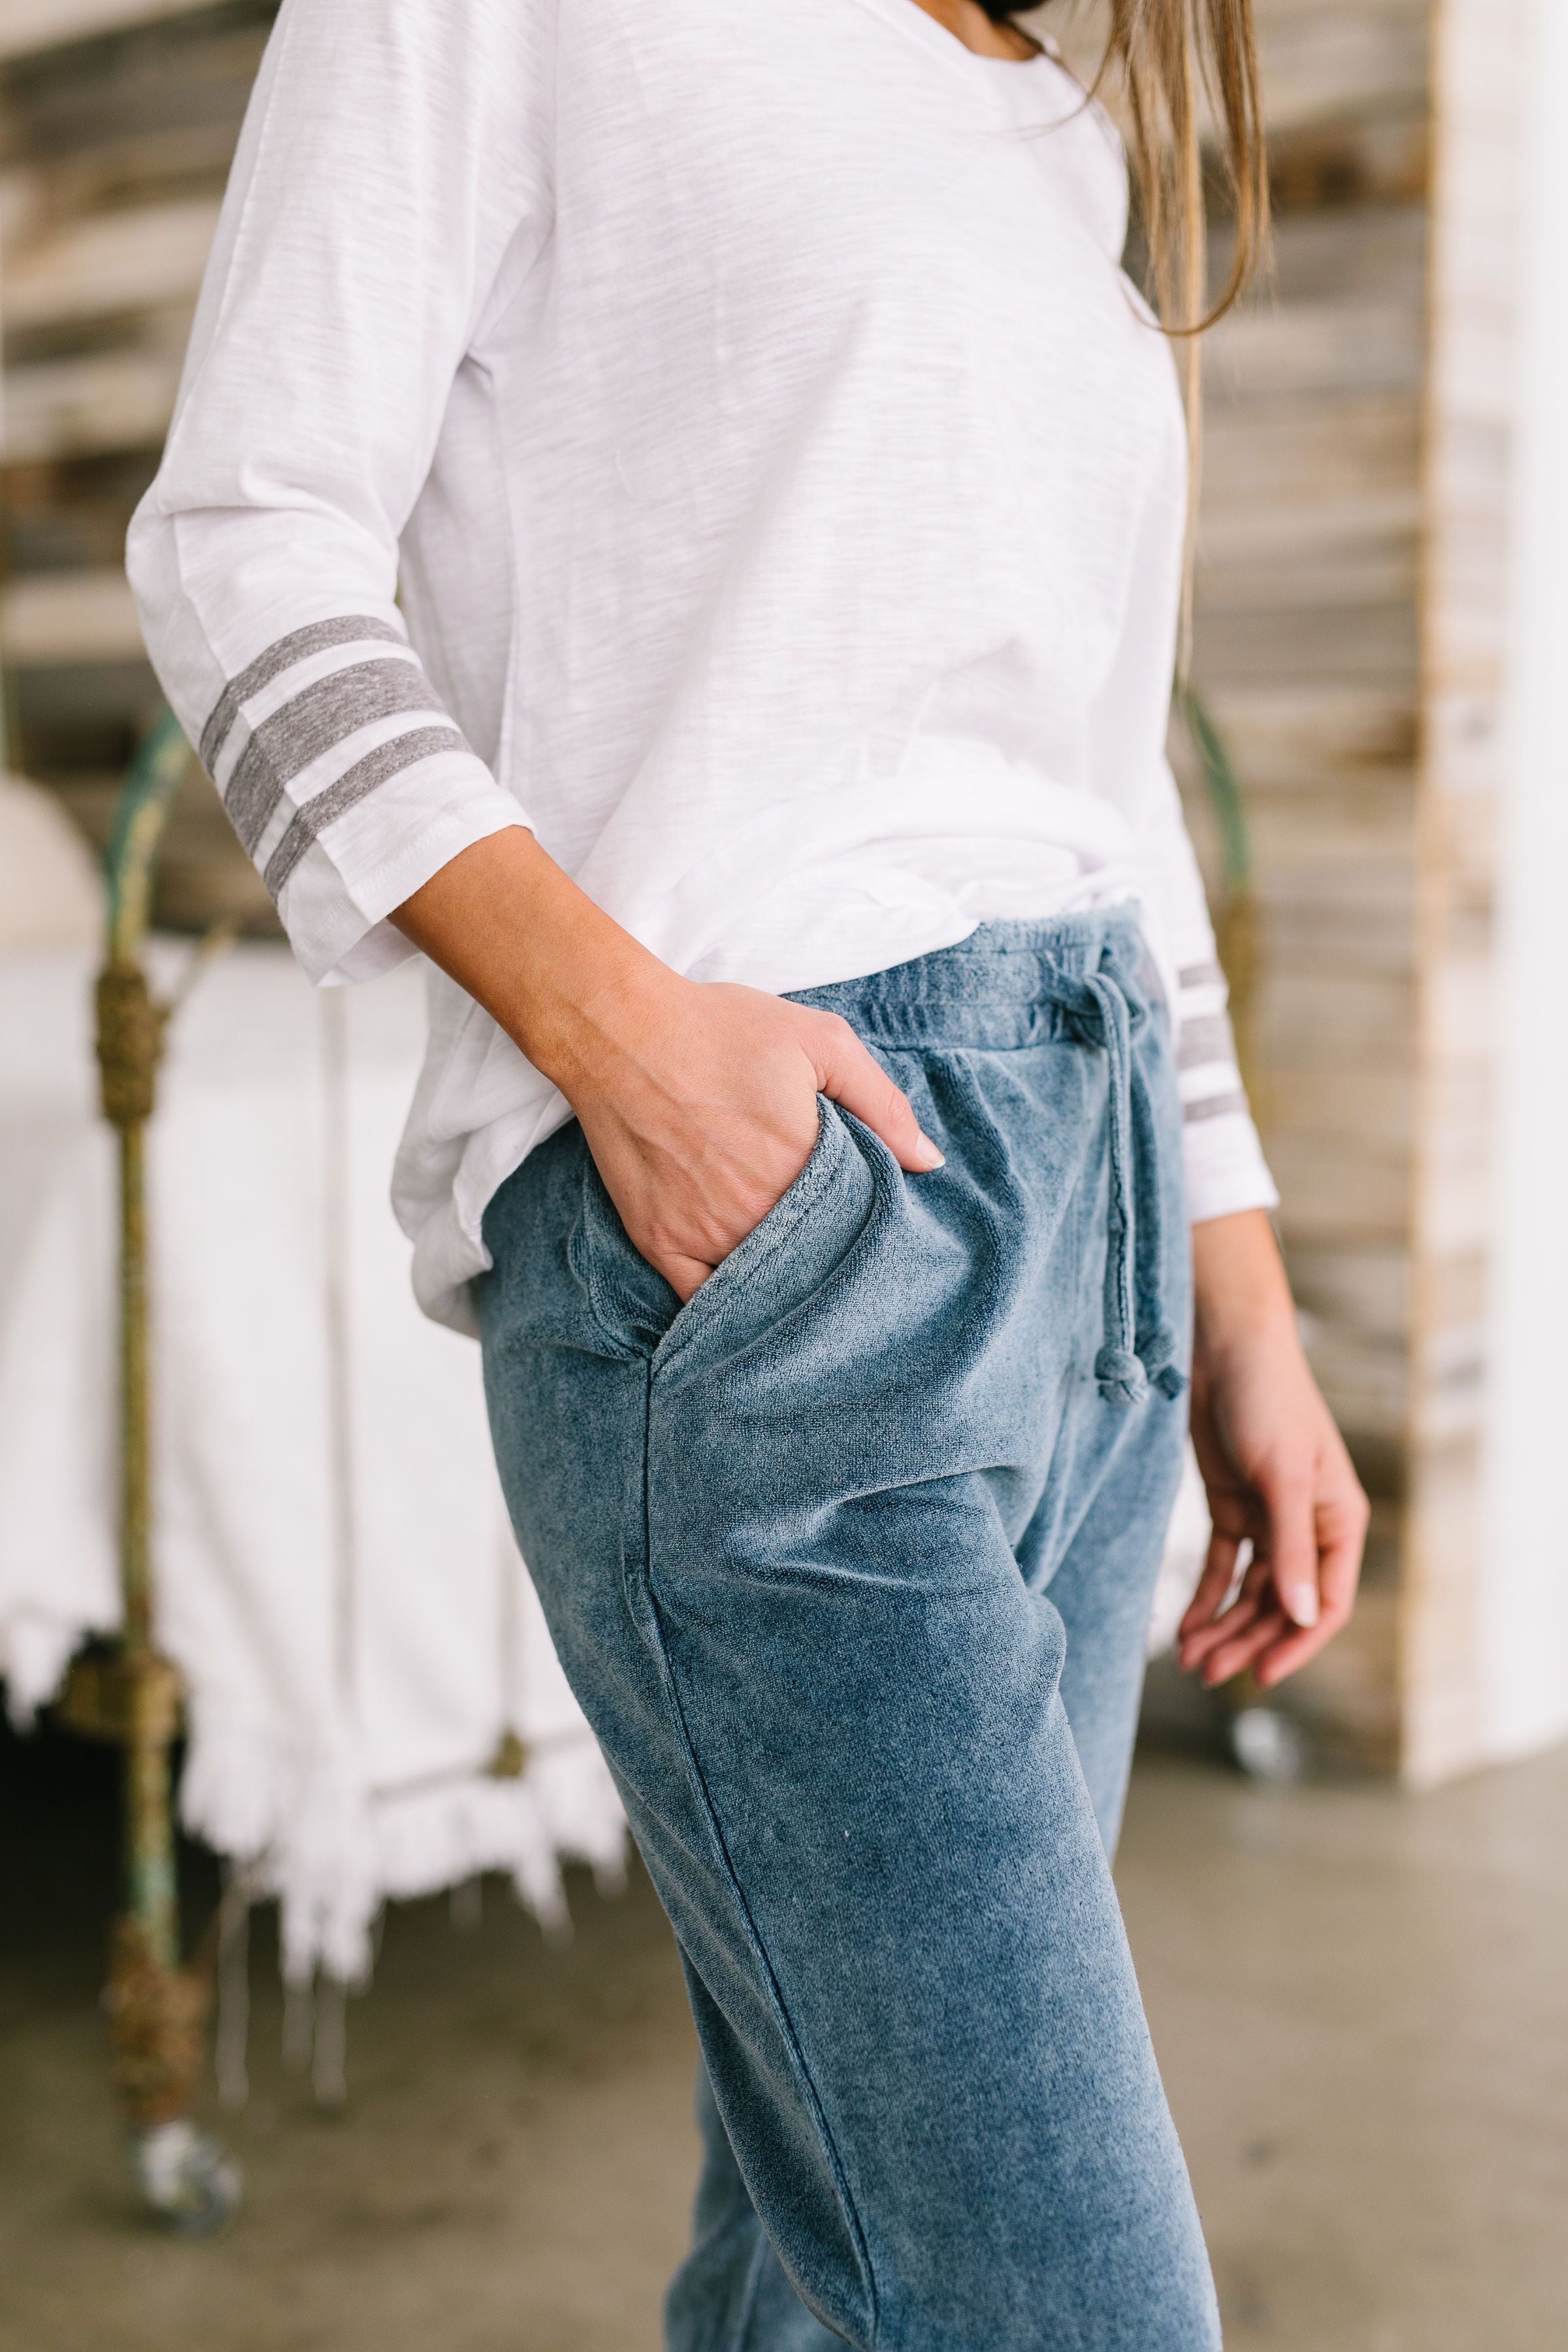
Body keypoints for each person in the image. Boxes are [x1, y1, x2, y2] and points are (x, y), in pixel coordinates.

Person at [129, 0, 1368, 2340]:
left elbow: (1102, 792)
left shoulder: (1039, 111)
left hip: (1085, 1239)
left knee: (831, 2271)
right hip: (788, 1247)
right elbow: (243, 538)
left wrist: (1245, 1298)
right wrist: (614, 1033)